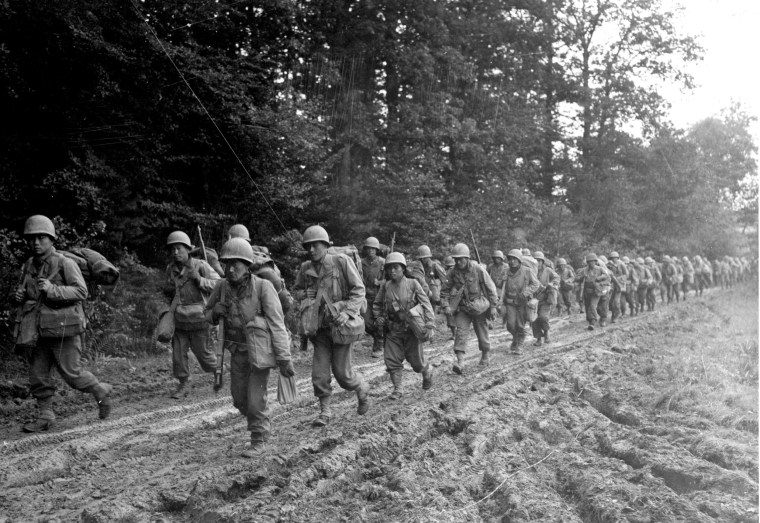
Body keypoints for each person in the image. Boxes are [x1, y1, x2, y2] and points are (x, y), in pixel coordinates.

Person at [10, 215, 113, 432]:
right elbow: (27, 292)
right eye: (32, 238)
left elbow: (81, 291)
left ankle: (99, 391)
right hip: (37, 330)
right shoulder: (29, 265)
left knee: (73, 375)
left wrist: (52, 289)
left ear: (51, 239)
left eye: (41, 238)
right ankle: (45, 415)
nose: (36, 243)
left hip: (64, 330)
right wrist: (18, 295)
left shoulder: (65, 263)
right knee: (38, 375)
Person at [205, 238, 292, 457]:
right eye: (227, 264)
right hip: (237, 352)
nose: (231, 268)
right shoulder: (221, 287)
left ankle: (259, 438)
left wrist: (284, 357)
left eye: (237, 264)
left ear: (247, 266)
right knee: (239, 399)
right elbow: (206, 316)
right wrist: (216, 311)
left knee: (255, 400)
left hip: (260, 353)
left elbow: (277, 324)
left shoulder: (263, 287)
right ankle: (260, 421)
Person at [293, 225, 370, 427]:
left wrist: (346, 312)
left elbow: (359, 290)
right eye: (308, 246)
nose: (311, 250)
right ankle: (325, 412)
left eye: (315, 245)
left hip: (340, 327)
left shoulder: (340, 262)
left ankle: (361, 387)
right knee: (319, 374)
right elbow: (297, 290)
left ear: (326, 245)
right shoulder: (305, 269)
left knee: (343, 375)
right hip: (319, 329)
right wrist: (304, 295)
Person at [164, 231, 220, 399]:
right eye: (173, 249)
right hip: (180, 320)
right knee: (178, 356)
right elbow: (166, 291)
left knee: (203, 355)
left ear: (188, 249)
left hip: (199, 320)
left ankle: (219, 372)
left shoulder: (200, 265)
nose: (176, 253)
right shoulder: (171, 270)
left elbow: (219, 284)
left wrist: (200, 280)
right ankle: (183, 385)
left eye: (179, 248)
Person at [373, 252, 435, 399]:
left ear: (403, 268)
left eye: (395, 267)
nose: (392, 271)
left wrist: (430, 323)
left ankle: (427, 371)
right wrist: (378, 317)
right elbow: (377, 304)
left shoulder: (413, 284)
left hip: (411, 329)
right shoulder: (386, 286)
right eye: (389, 268)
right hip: (393, 330)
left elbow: (426, 304)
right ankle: (398, 389)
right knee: (392, 360)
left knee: (417, 362)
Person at [440, 243, 499, 372]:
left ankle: (485, 356)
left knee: (482, 332)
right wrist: (446, 306)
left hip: (478, 307)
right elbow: (444, 291)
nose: (458, 262)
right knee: (460, 333)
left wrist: (493, 306)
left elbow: (491, 288)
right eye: (456, 259)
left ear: (467, 258)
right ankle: (460, 362)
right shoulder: (452, 272)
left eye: (461, 259)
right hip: (463, 308)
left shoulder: (477, 269)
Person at [501, 249, 540, 354]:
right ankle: (515, 337)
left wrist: (525, 293)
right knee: (510, 325)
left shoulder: (527, 271)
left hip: (522, 302)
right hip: (509, 301)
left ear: (519, 260)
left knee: (520, 325)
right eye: (510, 259)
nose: (512, 261)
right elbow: (501, 286)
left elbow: (536, 284)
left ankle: (520, 345)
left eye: (514, 259)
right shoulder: (506, 271)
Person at [361, 237, 386, 358]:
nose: (371, 251)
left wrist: (380, 282)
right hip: (365, 297)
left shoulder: (383, 262)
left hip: (379, 297)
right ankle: (378, 337)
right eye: (368, 249)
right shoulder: (361, 263)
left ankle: (378, 347)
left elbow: (391, 280)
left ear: (376, 250)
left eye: (373, 249)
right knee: (366, 323)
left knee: (379, 322)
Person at [531, 252, 559, 345]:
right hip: (533, 300)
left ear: (542, 262)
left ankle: (546, 332)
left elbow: (557, 277)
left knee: (543, 317)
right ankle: (538, 338)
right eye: (535, 260)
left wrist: (551, 283)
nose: (537, 262)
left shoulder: (547, 270)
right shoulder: (530, 271)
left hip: (545, 299)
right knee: (534, 319)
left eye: (539, 261)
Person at [576, 253, 610, 330]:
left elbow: (608, 277)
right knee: (588, 307)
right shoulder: (584, 270)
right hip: (587, 291)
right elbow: (577, 278)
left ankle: (594, 321)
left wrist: (599, 279)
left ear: (595, 261)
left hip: (597, 290)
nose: (590, 263)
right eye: (589, 262)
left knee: (593, 305)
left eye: (592, 261)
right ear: (587, 263)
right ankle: (591, 320)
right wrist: (581, 277)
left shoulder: (600, 269)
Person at [607, 252, 628, 323]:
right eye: (612, 258)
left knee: (616, 302)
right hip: (611, 285)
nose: (613, 259)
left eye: (615, 258)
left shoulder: (621, 264)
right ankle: (614, 314)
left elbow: (626, 274)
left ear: (617, 258)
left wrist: (618, 279)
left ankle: (616, 315)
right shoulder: (608, 265)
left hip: (619, 285)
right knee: (610, 302)